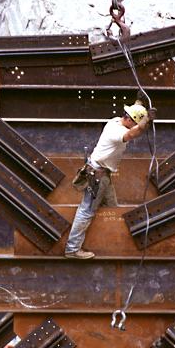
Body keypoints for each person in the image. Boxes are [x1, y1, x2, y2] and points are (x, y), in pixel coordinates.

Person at [65, 102, 156, 259]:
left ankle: (112, 243)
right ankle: (72, 249)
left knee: (112, 207)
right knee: (86, 211)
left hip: (103, 175)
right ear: (129, 121)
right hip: (97, 175)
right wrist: (145, 120)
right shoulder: (118, 131)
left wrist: (138, 103)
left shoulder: (115, 120)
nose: (135, 127)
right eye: (134, 123)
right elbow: (132, 134)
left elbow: (134, 126)